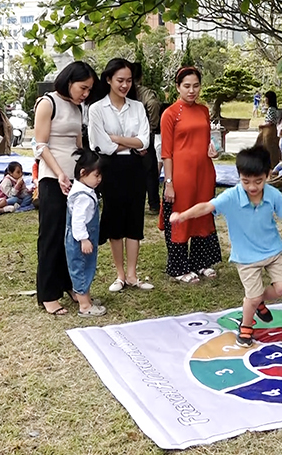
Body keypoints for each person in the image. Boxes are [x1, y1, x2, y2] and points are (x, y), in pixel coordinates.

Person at [170, 145, 282, 347]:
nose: (252, 187)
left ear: (268, 175)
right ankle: (246, 327)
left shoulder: (273, 194)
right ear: (238, 176)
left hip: (273, 251)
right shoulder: (231, 196)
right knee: (253, 296)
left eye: (258, 181)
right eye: (246, 181)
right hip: (246, 257)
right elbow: (206, 207)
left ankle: (256, 302)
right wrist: (183, 215)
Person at [34, 61, 98, 315]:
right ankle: (48, 293)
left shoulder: (77, 107)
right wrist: (60, 173)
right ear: (69, 81)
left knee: (73, 235)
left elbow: (78, 143)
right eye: (83, 88)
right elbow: (40, 145)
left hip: (75, 180)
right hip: (52, 178)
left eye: (89, 90)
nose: (85, 94)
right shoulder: (47, 103)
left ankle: (71, 284)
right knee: (51, 234)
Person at [89, 58, 154, 293]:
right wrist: (129, 143)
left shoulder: (137, 107)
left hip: (136, 168)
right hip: (110, 169)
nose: (125, 85)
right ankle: (119, 275)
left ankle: (132, 274)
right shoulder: (96, 109)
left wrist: (116, 138)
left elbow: (144, 140)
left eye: (128, 80)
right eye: (120, 80)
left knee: (134, 219)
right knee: (115, 219)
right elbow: (101, 145)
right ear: (108, 79)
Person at [158, 66, 222, 284]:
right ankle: (178, 267)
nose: (192, 90)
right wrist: (169, 182)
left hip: (204, 171)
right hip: (181, 175)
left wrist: (212, 149)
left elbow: (205, 139)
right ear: (178, 87)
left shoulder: (204, 110)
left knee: (203, 215)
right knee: (182, 217)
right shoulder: (170, 113)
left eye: (196, 86)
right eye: (187, 86)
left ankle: (200, 262)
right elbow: (166, 152)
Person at [65, 149, 107, 317]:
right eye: (96, 176)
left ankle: (86, 299)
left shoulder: (81, 189)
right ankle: (84, 306)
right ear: (83, 173)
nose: (99, 179)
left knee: (86, 267)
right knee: (81, 268)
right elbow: (78, 221)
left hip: (82, 238)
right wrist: (83, 239)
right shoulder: (82, 196)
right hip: (81, 239)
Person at [133, 63, 162, 215]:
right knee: (149, 172)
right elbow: (153, 104)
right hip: (144, 136)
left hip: (134, 136)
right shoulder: (145, 93)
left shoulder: (128, 92)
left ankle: (148, 204)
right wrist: (152, 126)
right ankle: (153, 204)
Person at [256, 90, 281, 168]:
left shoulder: (271, 109)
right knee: (272, 149)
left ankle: (270, 167)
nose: (265, 100)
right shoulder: (275, 109)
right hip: (272, 131)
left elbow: (270, 122)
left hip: (269, 131)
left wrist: (261, 125)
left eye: (266, 98)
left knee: (268, 149)